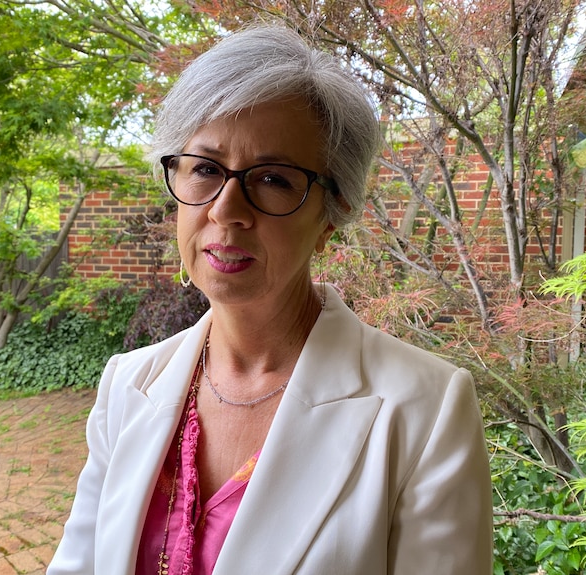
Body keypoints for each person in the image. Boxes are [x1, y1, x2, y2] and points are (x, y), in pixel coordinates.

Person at [47, 24, 493, 575]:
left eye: (274, 179)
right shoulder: (128, 384)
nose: (226, 209)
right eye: (206, 169)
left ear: (333, 213)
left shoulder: (423, 411)